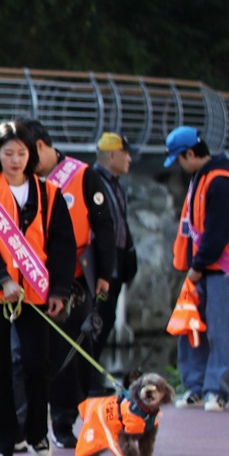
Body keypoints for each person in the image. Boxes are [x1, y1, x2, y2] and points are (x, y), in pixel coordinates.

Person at [0, 121, 76, 456]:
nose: (15, 159)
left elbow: (62, 244)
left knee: (37, 362)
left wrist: (60, 289)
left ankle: (37, 432)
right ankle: (0, 445)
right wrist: (2, 279)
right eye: (8, 153)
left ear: (32, 155)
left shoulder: (50, 193)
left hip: (36, 291)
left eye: (21, 153)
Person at [18, 118, 115, 449]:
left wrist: (104, 274)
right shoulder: (18, 181)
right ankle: (23, 424)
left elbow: (104, 227)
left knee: (72, 353)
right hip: (28, 283)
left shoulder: (82, 175)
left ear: (42, 147)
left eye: (26, 154)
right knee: (25, 354)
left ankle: (63, 421)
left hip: (73, 280)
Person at [165, 125, 229, 412]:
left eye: (179, 158)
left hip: (220, 268)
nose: (179, 165)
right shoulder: (200, 178)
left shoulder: (219, 181)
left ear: (190, 153)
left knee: (220, 330)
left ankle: (217, 390)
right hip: (200, 268)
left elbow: (219, 230)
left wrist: (197, 267)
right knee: (191, 326)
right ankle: (195, 386)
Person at [89, 133, 138, 370]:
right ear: (111, 155)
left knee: (107, 319)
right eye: (125, 153)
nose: (129, 158)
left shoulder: (116, 185)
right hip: (100, 267)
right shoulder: (93, 181)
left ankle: (90, 374)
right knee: (98, 319)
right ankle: (84, 376)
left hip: (115, 264)